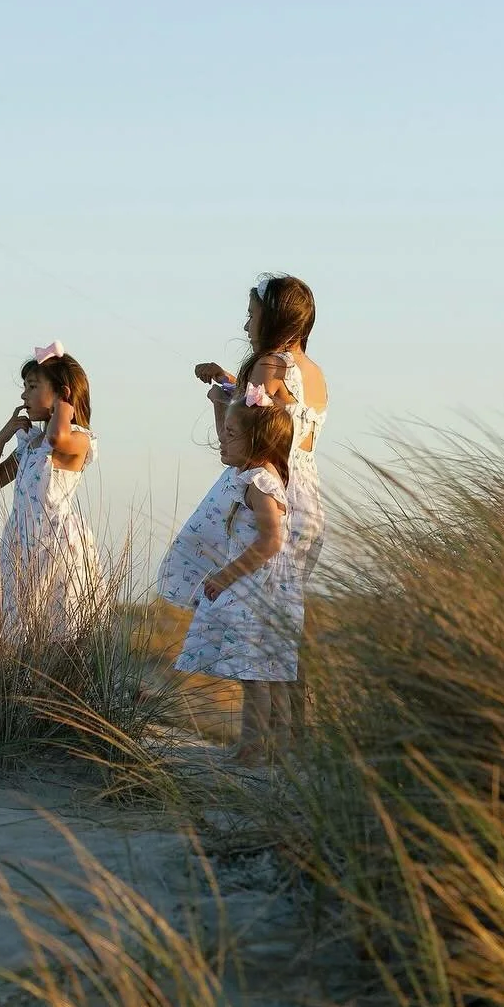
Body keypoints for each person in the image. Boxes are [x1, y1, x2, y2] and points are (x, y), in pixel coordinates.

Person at [195, 275, 327, 738]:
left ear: (273, 317)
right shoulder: (310, 370)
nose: (246, 323)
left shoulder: (267, 365)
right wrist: (234, 385)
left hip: (274, 493)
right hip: (308, 498)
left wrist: (222, 401)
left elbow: (251, 431)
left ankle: (261, 744)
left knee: (256, 625)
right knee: (286, 620)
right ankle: (297, 734)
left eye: (252, 314)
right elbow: (279, 416)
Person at [172, 394, 300, 765]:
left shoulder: (259, 483)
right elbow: (231, 440)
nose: (221, 440)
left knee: (255, 671)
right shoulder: (258, 473)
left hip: (255, 588)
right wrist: (218, 405)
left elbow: (272, 540)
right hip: (264, 586)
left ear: (257, 443)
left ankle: (254, 746)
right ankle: (274, 747)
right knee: (267, 671)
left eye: (230, 433)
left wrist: (224, 576)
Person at [0, 343, 104, 640]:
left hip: (56, 546)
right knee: (19, 636)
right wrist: (3, 437)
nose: (24, 395)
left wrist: (64, 409)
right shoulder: (30, 445)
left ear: (62, 392)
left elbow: (58, 438)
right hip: (21, 546)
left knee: (58, 635)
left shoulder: (79, 440)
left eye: (32, 386)